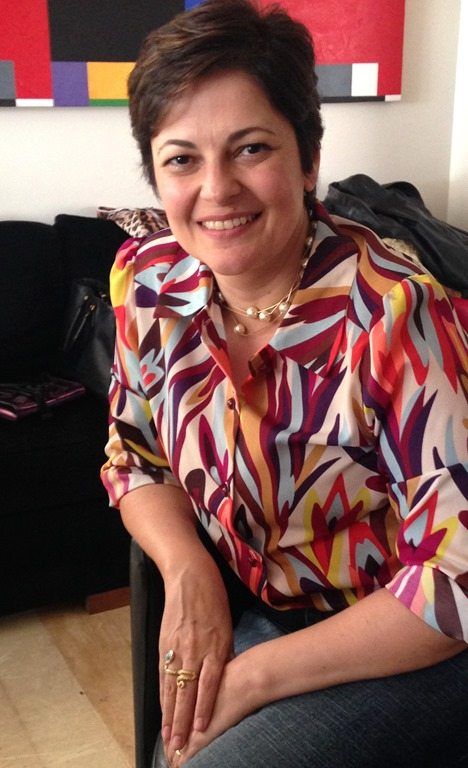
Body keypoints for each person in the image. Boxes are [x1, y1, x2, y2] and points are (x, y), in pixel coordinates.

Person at [101, 1, 468, 766]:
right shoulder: (148, 283)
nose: (217, 189)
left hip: (408, 636)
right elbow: (134, 456)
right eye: (182, 159)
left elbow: (457, 578)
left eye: (250, 148)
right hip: (262, 607)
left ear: (307, 160)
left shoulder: (395, 315)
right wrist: (188, 570)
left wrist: (254, 678)